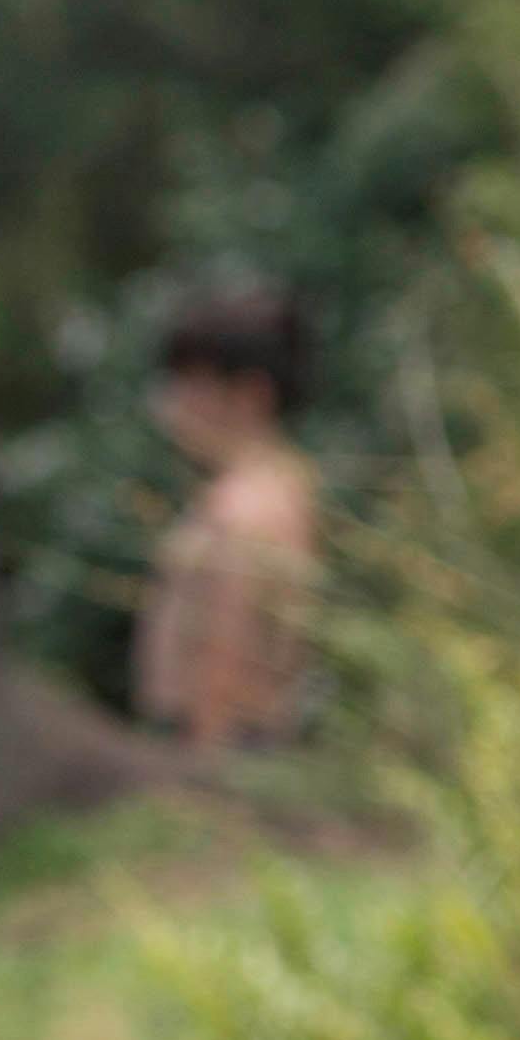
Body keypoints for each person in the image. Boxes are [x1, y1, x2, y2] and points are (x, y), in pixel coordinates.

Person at [132, 282, 321, 756]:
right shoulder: (288, 483)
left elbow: (225, 659)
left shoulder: (242, 509)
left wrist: (199, 773)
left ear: (250, 395)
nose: (172, 404)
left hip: (217, 745)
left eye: (189, 384)